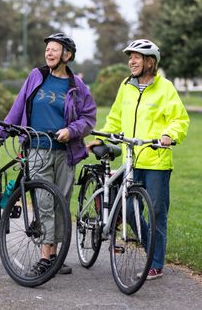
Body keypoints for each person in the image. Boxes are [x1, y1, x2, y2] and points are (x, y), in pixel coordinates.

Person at [0, 32, 96, 275]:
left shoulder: (77, 86)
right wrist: (0, 133)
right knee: (44, 203)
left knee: (61, 205)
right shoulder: (37, 76)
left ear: (67, 55)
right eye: (48, 49)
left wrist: (71, 130)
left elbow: (89, 118)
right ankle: (46, 259)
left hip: (65, 153)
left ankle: (54, 255)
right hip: (37, 150)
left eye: (55, 49)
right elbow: (18, 107)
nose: (49, 53)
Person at [87, 39, 189, 280]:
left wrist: (168, 135)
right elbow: (116, 117)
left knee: (156, 214)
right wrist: (103, 137)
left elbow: (179, 119)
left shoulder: (165, 88)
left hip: (155, 161)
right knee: (127, 208)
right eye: (129, 57)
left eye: (136, 57)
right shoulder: (126, 86)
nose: (131, 61)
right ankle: (147, 244)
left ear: (149, 62)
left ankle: (155, 263)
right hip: (131, 159)